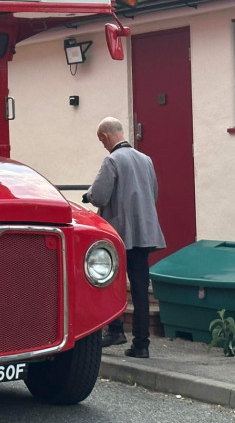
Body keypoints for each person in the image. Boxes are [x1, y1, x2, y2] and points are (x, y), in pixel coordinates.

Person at [84, 117, 166, 358]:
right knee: (140, 287)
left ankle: (116, 330)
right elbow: (154, 192)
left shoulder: (112, 160)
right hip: (144, 232)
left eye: (102, 141)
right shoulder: (146, 160)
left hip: (120, 235)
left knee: (111, 284)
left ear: (105, 137)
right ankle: (141, 344)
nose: (103, 145)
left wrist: (87, 195)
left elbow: (99, 196)